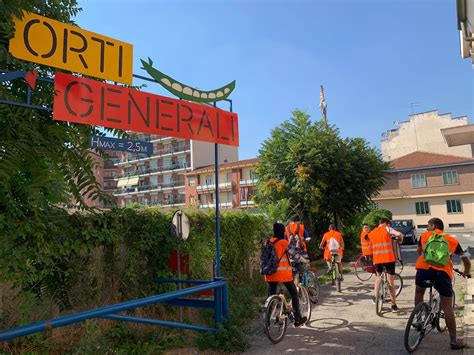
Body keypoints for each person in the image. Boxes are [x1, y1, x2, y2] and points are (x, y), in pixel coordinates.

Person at [414, 217, 471, 350]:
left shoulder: (424, 236)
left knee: (419, 292)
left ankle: (418, 319)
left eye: (428, 225)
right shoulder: (452, 240)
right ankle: (453, 342)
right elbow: (466, 260)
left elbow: (419, 252)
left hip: (423, 270)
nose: (427, 228)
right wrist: (466, 272)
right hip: (442, 273)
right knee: (447, 306)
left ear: (433, 226)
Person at [265, 223, 308, 327]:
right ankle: (297, 319)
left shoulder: (268, 242)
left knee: (271, 295)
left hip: (270, 274)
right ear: (282, 232)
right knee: (294, 293)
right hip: (283, 274)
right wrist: (304, 260)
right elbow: (295, 254)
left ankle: (267, 321)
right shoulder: (284, 243)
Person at [368, 218, 403, 312]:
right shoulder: (387, 229)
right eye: (389, 225)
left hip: (377, 259)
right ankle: (393, 305)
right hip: (389, 259)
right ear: (386, 224)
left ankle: (375, 297)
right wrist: (400, 239)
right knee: (390, 281)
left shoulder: (371, 233)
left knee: (378, 276)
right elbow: (399, 234)